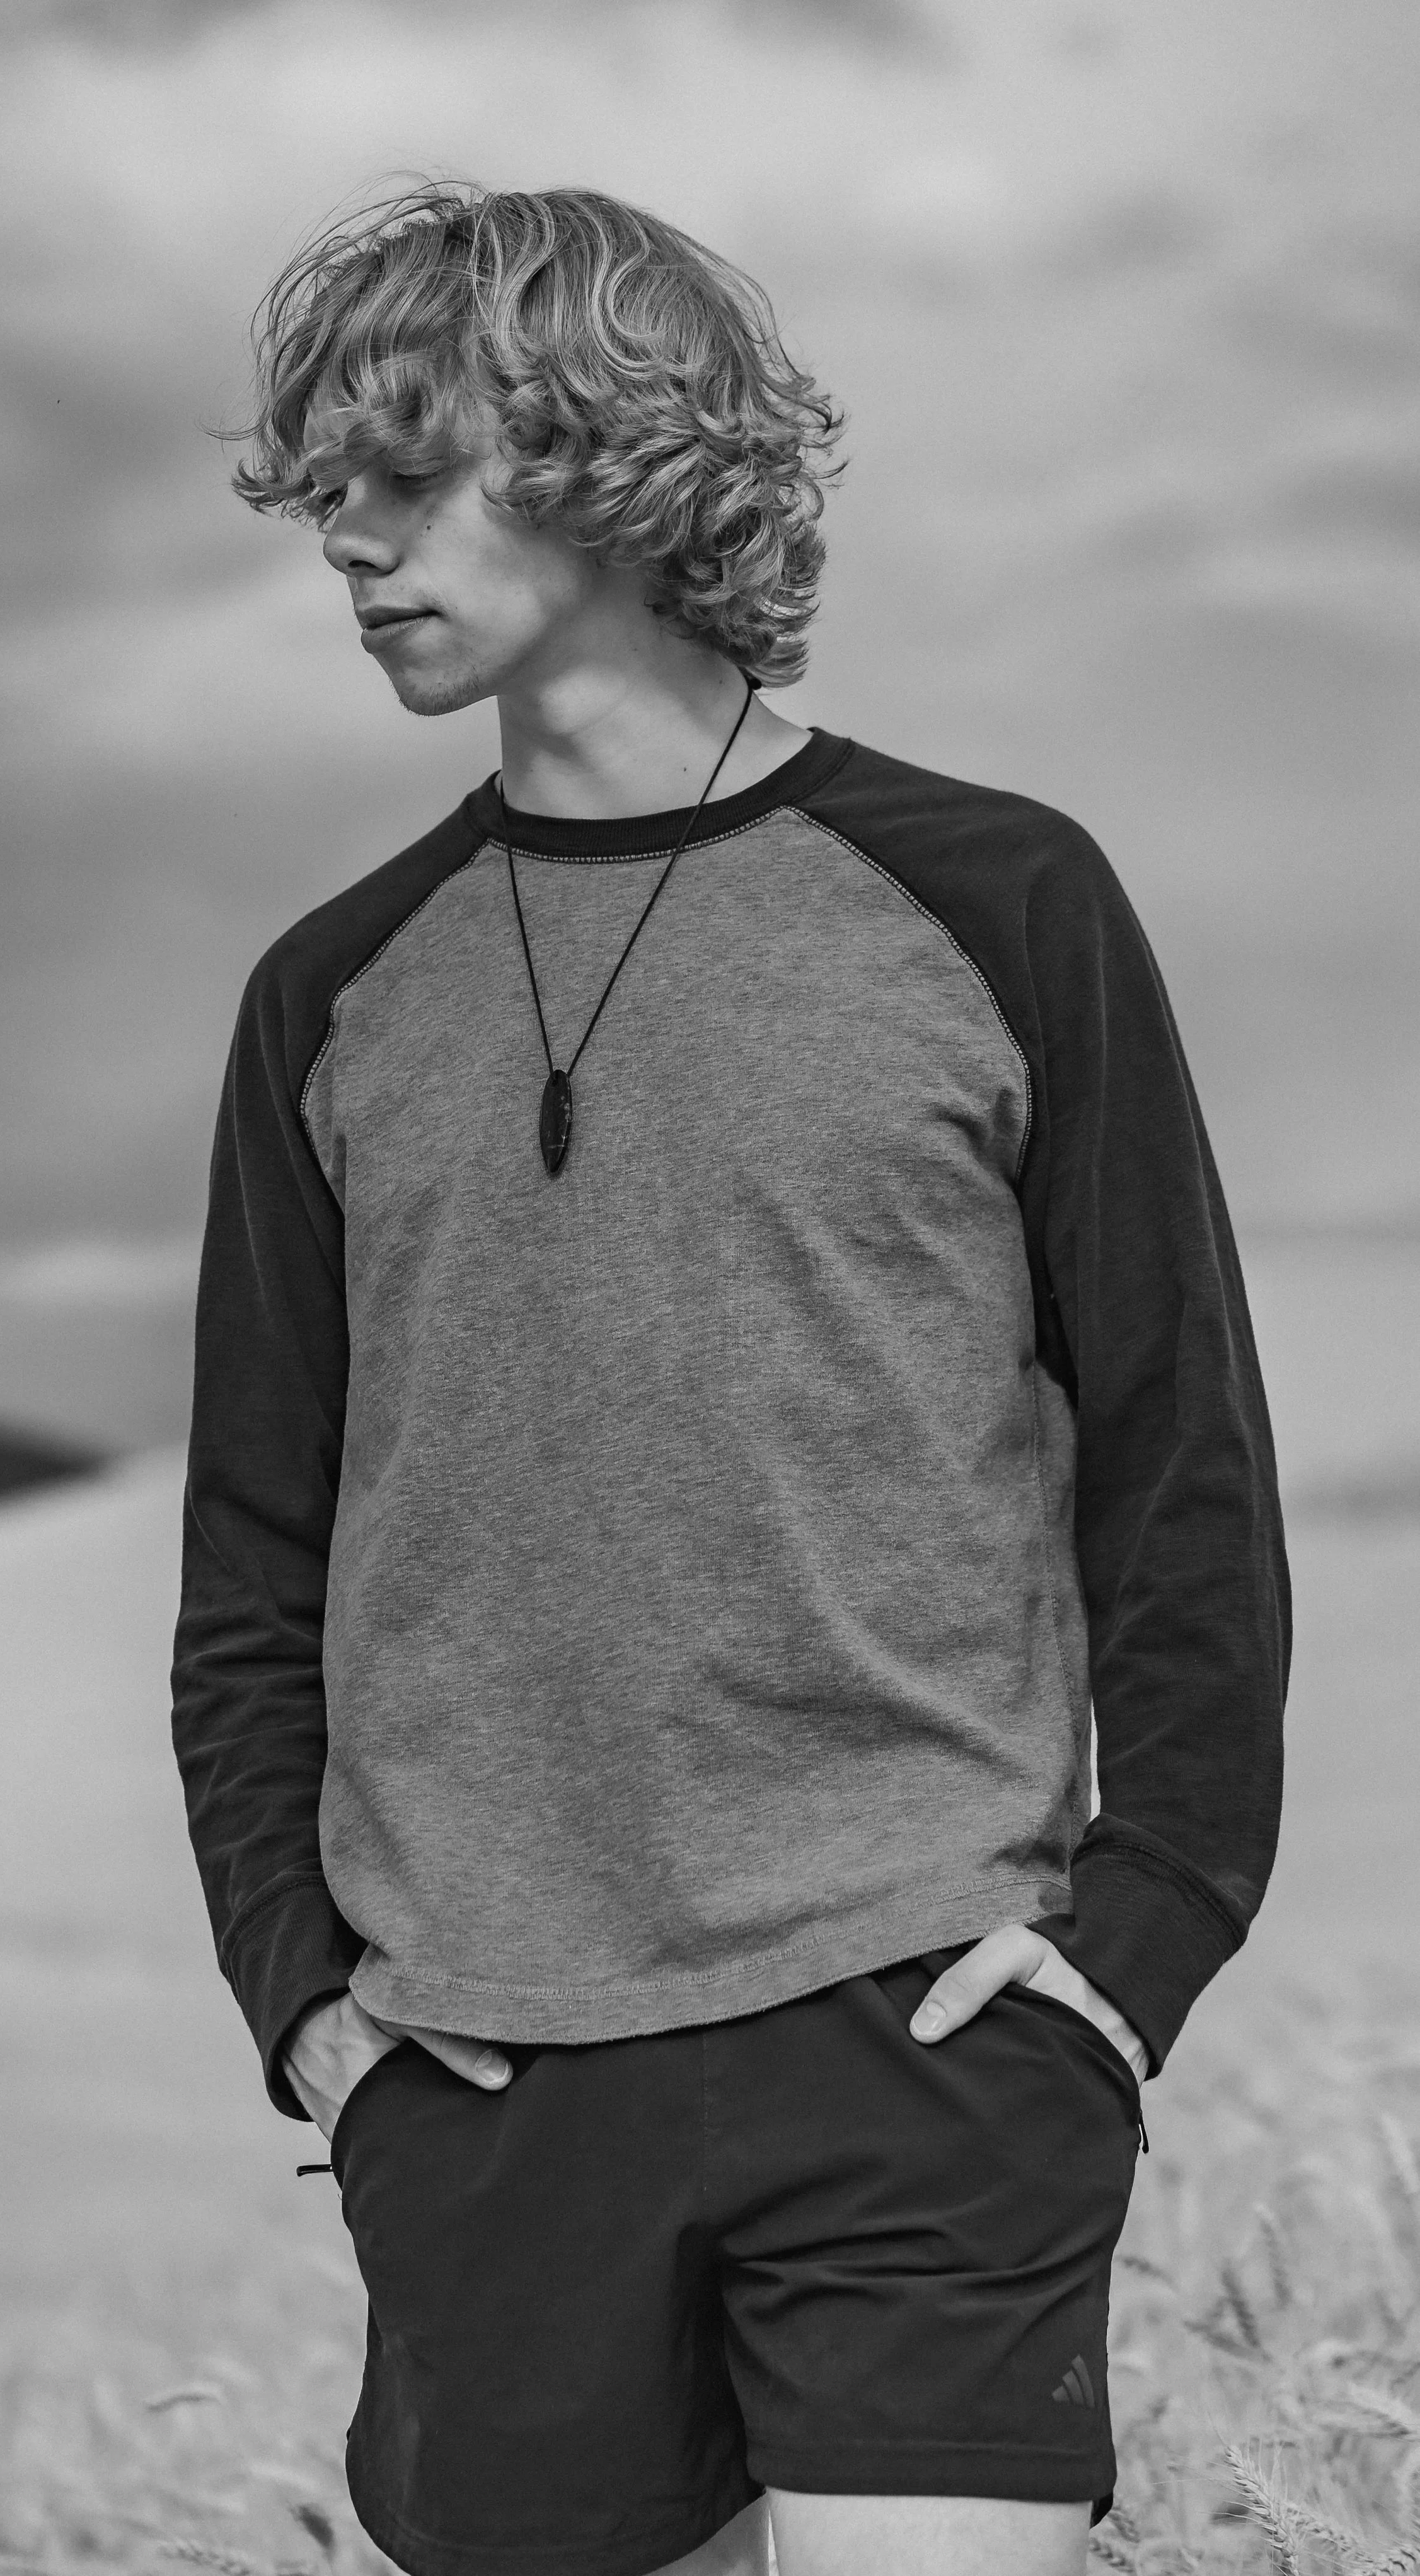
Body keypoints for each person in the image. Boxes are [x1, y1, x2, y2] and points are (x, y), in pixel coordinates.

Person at [171, 182, 1288, 2576]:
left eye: (404, 472)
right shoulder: (331, 994)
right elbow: (255, 1559)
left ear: (599, 451)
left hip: (924, 2031)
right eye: (320, 495)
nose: (345, 548)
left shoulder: (1000, 902)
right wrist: (311, 2016)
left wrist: (1138, 1939)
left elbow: (1179, 1460)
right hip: (478, 2078)